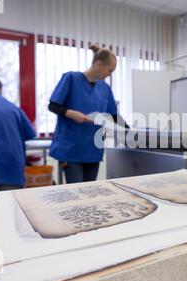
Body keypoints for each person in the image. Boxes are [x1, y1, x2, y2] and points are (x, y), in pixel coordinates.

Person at [48, 44, 129, 183]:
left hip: (92, 150)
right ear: (98, 64)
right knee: (76, 193)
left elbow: (113, 115)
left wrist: (130, 131)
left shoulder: (105, 88)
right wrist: (71, 113)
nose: (110, 75)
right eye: (110, 70)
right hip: (71, 149)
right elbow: (53, 105)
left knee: (90, 191)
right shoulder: (71, 79)